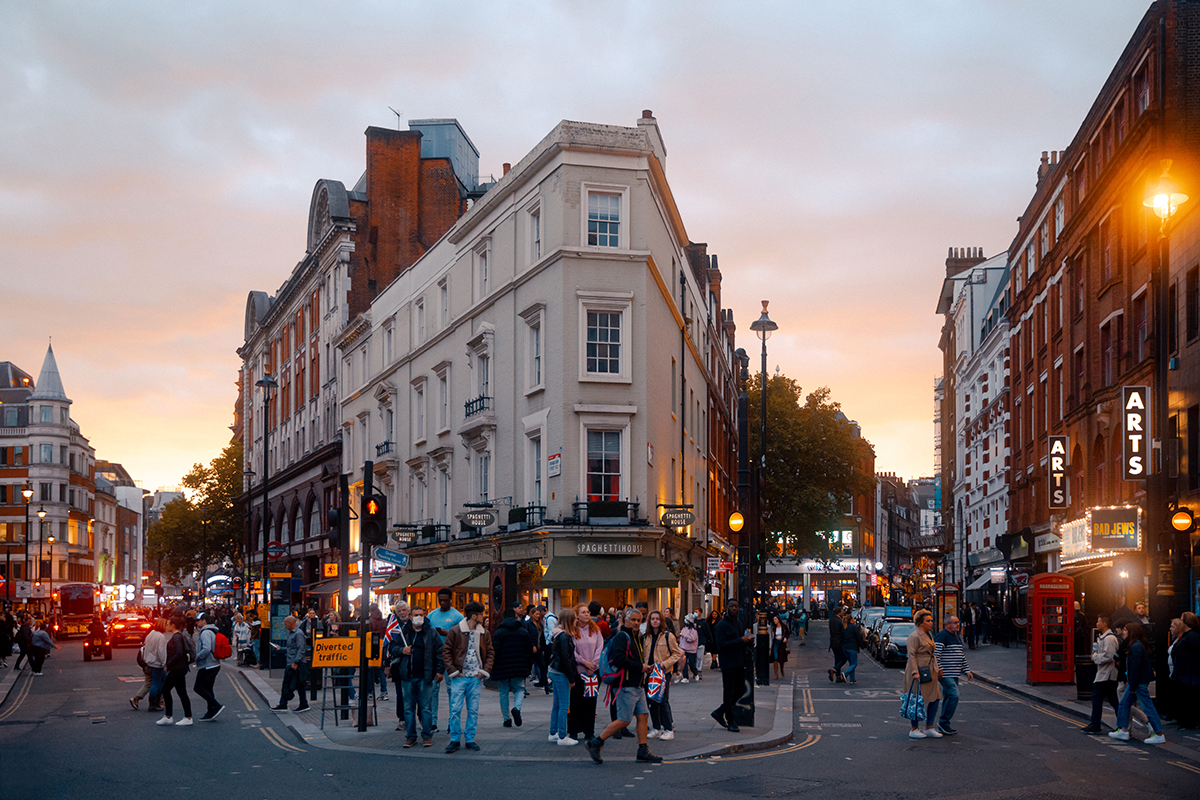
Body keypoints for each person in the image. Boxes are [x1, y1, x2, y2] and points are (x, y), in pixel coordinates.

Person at [584, 607, 663, 765]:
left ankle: (642, 750)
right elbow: (619, 659)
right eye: (632, 620)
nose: (635, 623)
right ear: (625, 620)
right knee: (624, 720)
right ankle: (596, 742)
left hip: (637, 684)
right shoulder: (622, 636)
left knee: (643, 716)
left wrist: (644, 667)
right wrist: (640, 667)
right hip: (625, 685)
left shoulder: (638, 637)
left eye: (638, 620)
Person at [442, 600, 492, 753]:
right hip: (460, 676)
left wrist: (483, 672)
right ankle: (455, 739)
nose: (483, 617)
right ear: (474, 615)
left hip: (475, 677)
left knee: (473, 709)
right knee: (455, 709)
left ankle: (469, 738)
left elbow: (490, 652)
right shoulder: (456, 631)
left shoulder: (484, 633)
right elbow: (446, 652)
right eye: (481, 614)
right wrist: (453, 671)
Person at [390, 604, 443, 747]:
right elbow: (392, 647)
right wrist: (402, 650)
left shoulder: (431, 632)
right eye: (416, 615)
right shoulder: (403, 632)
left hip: (425, 676)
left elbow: (439, 652)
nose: (419, 617)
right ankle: (411, 736)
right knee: (408, 709)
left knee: (426, 708)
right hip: (407, 676)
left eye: (421, 614)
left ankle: (427, 735)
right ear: (410, 617)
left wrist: (439, 671)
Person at [1109, 621, 1165, 744]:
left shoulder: (1136, 646)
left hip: (1138, 683)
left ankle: (1159, 733)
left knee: (1147, 707)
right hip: (1136, 682)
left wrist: (1132, 686)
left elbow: (1135, 668)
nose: (1123, 632)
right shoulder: (1134, 645)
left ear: (1131, 632)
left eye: (1125, 630)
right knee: (1124, 704)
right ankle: (1123, 731)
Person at [711, 599, 752, 733]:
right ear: (726, 607)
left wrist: (747, 640)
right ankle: (731, 720)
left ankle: (719, 711)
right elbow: (721, 646)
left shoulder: (739, 623)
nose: (734, 609)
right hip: (728, 663)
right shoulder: (720, 626)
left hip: (739, 662)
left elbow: (741, 641)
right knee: (728, 692)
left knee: (740, 690)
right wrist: (740, 640)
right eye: (731, 606)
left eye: (736, 606)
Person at [426, 589, 464, 732]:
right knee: (433, 690)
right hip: (435, 655)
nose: (442, 602)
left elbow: (463, 638)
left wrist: (448, 634)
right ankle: (433, 721)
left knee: (452, 690)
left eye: (445, 600)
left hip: (451, 656)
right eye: (440, 600)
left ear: (450, 600)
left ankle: (452, 722)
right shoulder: (431, 615)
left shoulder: (458, 616)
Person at [642, 610, 681, 741]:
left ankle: (669, 729)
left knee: (663, 700)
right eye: (652, 619)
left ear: (661, 621)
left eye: (657, 619)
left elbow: (677, 654)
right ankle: (656, 728)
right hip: (649, 673)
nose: (655, 621)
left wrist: (664, 664)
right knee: (651, 701)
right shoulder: (646, 636)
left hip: (663, 673)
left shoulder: (668, 636)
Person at [904, 609, 943, 739]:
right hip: (919, 672)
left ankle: (929, 727)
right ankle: (914, 728)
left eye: (931, 620)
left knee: (935, 698)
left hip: (930, 671)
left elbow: (933, 654)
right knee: (916, 700)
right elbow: (911, 655)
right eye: (928, 621)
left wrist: (938, 669)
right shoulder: (914, 637)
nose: (931, 623)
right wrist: (915, 672)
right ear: (921, 623)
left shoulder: (929, 635)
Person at [492, 606, 533, 728]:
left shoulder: (499, 632)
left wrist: (494, 666)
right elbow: (529, 650)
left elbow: (495, 651)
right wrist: (528, 666)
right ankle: (517, 708)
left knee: (503, 692)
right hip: (519, 665)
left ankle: (506, 719)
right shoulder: (523, 632)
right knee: (519, 689)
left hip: (503, 666)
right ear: (515, 617)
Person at [568, 604, 604, 740]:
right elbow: (572, 651)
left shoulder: (595, 630)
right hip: (578, 671)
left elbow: (600, 647)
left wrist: (593, 665)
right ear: (577, 615)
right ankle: (573, 730)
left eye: (588, 612)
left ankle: (589, 731)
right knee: (575, 702)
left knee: (590, 702)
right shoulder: (572, 631)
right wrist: (584, 662)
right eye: (583, 612)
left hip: (593, 672)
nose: (587, 614)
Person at [933, 615, 973, 735]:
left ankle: (943, 724)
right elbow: (936, 655)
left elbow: (961, 655)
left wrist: (967, 670)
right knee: (954, 695)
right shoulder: (942, 636)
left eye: (958, 622)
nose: (958, 624)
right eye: (955, 622)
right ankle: (944, 722)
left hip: (955, 673)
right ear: (947, 624)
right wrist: (940, 670)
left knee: (948, 697)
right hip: (946, 673)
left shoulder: (956, 636)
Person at [1083, 614, 1120, 733]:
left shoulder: (1109, 639)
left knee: (1096, 697)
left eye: (1098, 621)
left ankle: (1095, 724)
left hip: (1107, 674)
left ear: (1104, 624)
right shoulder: (1104, 637)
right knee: (1113, 700)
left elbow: (1109, 656)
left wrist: (1094, 657)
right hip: (1105, 673)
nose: (1096, 624)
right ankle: (1123, 725)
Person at [548, 607, 579, 746]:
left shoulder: (558, 634)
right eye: (575, 618)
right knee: (564, 705)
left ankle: (553, 733)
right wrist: (572, 678)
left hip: (554, 670)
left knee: (557, 704)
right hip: (561, 672)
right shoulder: (565, 636)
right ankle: (562, 736)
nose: (577, 620)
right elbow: (567, 659)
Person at [159, 615, 194, 726]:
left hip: (177, 669)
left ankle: (171, 716)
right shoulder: (177, 636)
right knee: (181, 692)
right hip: (180, 668)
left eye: (168, 623)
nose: (167, 625)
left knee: (166, 690)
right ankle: (184, 717)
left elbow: (179, 653)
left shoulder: (177, 637)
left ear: (173, 625)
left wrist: (168, 665)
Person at [272, 615, 310, 712]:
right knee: (295, 684)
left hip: (296, 663)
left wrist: (296, 662)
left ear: (290, 623)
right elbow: (291, 648)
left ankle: (286, 704)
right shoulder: (292, 633)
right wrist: (281, 648)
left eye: (285, 624)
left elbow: (301, 649)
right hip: (291, 662)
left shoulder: (298, 634)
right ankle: (301, 704)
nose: (284, 626)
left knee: (291, 684)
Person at [132, 617, 170, 712]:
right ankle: (153, 703)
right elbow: (161, 652)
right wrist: (164, 663)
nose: (167, 626)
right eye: (166, 624)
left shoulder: (151, 634)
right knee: (156, 683)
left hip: (150, 662)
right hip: (157, 663)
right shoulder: (160, 636)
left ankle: (156, 701)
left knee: (162, 681)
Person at [1170, 612, 1200, 729]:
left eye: (1182, 620)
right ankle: (1187, 721)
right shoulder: (1187, 636)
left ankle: (1190, 722)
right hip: (1185, 672)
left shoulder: (1192, 636)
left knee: (1190, 698)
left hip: (1190, 673)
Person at [192, 612, 224, 720]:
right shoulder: (212, 631)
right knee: (208, 689)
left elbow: (206, 649)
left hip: (208, 665)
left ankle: (217, 705)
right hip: (214, 664)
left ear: (204, 621)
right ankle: (211, 712)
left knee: (198, 688)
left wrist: (197, 657)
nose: (197, 622)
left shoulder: (205, 632)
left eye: (198, 620)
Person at [840, 608, 862, 684]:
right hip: (852, 648)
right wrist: (861, 645)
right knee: (854, 664)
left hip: (845, 648)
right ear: (851, 620)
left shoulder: (844, 627)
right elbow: (858, 637)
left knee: (851, 664)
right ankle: (845, 674)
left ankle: (852, 680)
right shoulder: (854, 628)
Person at [828, 602, 847, 682]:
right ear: (839, 612)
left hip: (833, 642)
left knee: (837, 658)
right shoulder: (840, 621)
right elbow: (842, 632)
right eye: (842, 611)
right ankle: (834, 669)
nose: (843, 612)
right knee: (844, 658)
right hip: (839, 642)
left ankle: (838, 677)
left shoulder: (831, 620)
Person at [679, 615, 700, 682]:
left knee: (691, 664)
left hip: (691, 650)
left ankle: (695, 673)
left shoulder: (693, 630)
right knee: (684, 663)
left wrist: (684, 635)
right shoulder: (684, 628)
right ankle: (685, 677)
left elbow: (691, 639)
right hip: (683, 648)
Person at [770, 612, 791, 680]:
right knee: (775, 657)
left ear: (778, 619)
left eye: (775, 619)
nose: (774, 621)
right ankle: (776, 674)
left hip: (782, 643)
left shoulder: (784, 626)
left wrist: (785, 638)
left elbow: (788, 633)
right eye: (774, 619)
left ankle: (782, 669)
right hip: (776, 643)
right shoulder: (773, 627)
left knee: (781, 658)